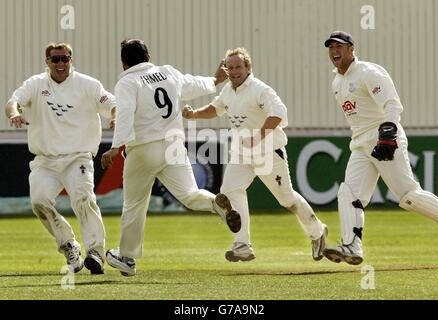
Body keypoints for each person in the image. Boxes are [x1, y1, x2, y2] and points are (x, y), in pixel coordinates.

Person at [101, 39, 241, 276]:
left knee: (134, 205)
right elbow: (191, 84)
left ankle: (127, 258)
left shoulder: (127, 81)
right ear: (148, 54)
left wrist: (116, 146)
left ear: (124, 62)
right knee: (189, 194)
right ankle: (215, 204)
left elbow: (124, 113)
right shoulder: (167, 73)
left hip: (144, 149)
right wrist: (215, 80)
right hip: (174, 146)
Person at [182, 47, 328, 262]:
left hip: (268, 153)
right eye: (230, 67)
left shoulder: (260, 90)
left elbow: (279, 114)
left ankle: (317, 231)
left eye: (238, 67)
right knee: (230, 191)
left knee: (286, 199)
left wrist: (258, 137)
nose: (234, 71)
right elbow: (217, 108)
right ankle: (242, 245)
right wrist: (193, 115)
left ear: (248, 67)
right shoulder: (229, 90)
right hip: (241, 154)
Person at [323, 31, 438, 265]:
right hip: (359, 144)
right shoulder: (337, 81)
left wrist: (387, 134)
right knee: (349, 193)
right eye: (331, 47)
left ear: (351, 49)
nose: (334, 51)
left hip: (383, 137)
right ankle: (352, 246)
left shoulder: (368, 72)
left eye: (339, 46)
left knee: (408, 197)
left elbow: (392, 103)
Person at [5, 42, 117, 274]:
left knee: (83, 198)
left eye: (65, 59)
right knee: (39, 201)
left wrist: (116, 117)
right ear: (47, 62)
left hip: (78, 157)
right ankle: (68, 245)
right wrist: (15, 114)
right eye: (55, 59)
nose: (60, 64)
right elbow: (12, 102)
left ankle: (95, 252)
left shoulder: (88, 85)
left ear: (71, 60)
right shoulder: (35, 84)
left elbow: (113, 104)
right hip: (45, 160)